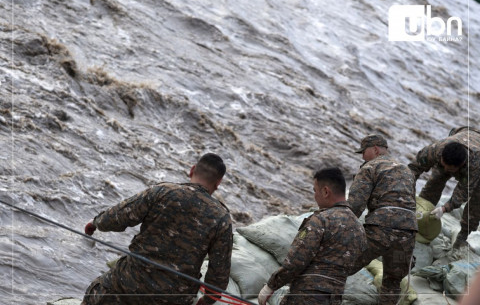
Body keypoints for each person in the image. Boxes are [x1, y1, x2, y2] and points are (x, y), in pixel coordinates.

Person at [81, 153, 233, 305]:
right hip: (173, 299)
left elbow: (117, 218)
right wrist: (205, 302)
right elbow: (218, 275)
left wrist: (95, 223)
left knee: (96, 293)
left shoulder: (163, 192)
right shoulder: (221, 219)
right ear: (218, 182)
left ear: (192, 170)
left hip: (129, 284)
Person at [258, 167, 367, 305]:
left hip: (306, 297)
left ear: (326, 191)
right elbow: (356, 264)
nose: (314, 196)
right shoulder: (359, 228)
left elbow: (296, 260)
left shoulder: (321, 220)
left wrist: (271, 286)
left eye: (315, 191)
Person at [348, 134, 417, 305]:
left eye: (363, 152)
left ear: (375, 149)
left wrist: (339, 230)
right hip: (407, 234)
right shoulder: (406, 170)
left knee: (341, 266)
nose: (362, 156)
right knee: (392, 283)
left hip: (380, 229)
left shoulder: (370, 167)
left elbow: (355, 206)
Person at [408, 126, 480, 249]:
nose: (447, 170)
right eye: (444, 165)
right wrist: (404, 188)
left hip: (476, 162)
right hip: (464, 135)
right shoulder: (436, 149)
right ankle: (421, 217)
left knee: (476, 203)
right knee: (434, 183)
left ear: (461, 165)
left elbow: (462, 193)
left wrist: (445, 208)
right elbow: (414, 168)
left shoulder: (473, 166)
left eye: (450, 169)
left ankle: (462, 238)